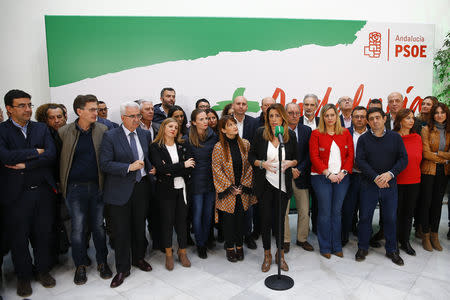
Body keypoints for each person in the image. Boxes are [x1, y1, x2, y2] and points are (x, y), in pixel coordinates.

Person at [0, 90, 57, 297]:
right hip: (16, 195)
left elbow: (51, 155)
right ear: (9, 108)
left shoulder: (41, 128)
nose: (28, 109)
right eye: (22, 105)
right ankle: (23, 277)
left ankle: (43, 271)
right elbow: (4, 156)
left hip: (42, 192)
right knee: (19, 238)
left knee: (43, 235)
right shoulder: (2, 131)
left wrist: (24, 163)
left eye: (30, 105)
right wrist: (35, 152)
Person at [58, 95, 112, 285]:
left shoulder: (103, 130)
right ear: (79, 111)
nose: (96, 113)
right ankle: (80, 266)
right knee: (78, 228)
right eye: (91, 109)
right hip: (74, 189)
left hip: (97, 187)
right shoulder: (64, 132)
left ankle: (102, 262)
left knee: (98, 227)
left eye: (96, 109)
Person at [100, 102, 154, 288]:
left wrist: (151, 168)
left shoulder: (144, 134)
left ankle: (138, 258)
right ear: (123, 118)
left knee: (139, 227)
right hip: (119, 191)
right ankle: (122, 268)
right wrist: (128, 167)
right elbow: (105, 164)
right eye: (132, 116)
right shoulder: (110, 136)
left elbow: (145, 158)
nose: (137, 119)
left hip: (141, 188)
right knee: (121, 231)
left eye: (138, 115)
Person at [355, 107, 408, 266]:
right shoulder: (363, 139)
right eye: (371, 119)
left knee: (390, 218)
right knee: (364, 217)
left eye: (377, 118)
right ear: (367, 121)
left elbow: (403, 159)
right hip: (369, 184)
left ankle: (392, 249)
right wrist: (375, 177)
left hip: (389, 184)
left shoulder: (395, 138)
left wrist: (390, 174)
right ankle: (363, 247)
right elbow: (360, 161)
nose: (374, 121)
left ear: (384, 119)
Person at [249, 103, 298, 272]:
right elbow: (251, 156)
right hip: (265, 185)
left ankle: (280, 255)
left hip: (283, 185)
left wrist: (290, 163)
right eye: (271, 116)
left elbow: (296, 158)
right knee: (265, 221)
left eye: (277, 115)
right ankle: (267, 255)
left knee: (280, 223)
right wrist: (262, 164)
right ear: (266, 118)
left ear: (283, 117)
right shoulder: (259, 133)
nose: (274, 119)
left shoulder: (289, 135)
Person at [309, 104, 353, 258]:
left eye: (332, 115)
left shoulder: (346, 133)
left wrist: (343, 172)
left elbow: (350, 156)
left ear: (337, 116)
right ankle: (325, 247)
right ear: (323, 117)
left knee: (337, 212)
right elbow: (314, 157)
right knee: (325, 213)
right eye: (326, 115)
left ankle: (337, 245)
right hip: (321, 178)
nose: (329, 118)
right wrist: (328, 174)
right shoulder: (316, 134)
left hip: (342, 178)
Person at [150, 118, 194, 270]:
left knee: (182, 222)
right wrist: (181, 165)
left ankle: (182, 252)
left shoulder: (183, 145)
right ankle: (169, 253)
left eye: (176, 127)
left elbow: (191, 167)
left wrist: (170, 169)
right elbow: (160, 169)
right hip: (165, 191)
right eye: (170, 126)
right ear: (163, 128)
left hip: (182, 189)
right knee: (167, 222)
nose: (173, 129)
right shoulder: (156, 147)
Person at [212, 115, 255, 262]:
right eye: (230, 125)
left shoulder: (245, 144)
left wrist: (243, 186)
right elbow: (216, 169)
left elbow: (249, 166)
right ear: (223, 130)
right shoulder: (218, 147)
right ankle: (230, 248)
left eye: (234, 124)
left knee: (241, 220)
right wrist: (230, 188)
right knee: (229, 222)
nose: (234, 127)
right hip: (228, 191)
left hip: (242, 189)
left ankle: (240, 246)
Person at [184, 109, 218, 258]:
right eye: (202, 119)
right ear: (193, 122)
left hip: (211, 180)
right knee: (197, 214)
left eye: (206, 119)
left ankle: (205, 239)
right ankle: (200, 244)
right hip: (196, 181)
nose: (206, 121)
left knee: (208, 214)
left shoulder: (214, 136)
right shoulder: (188, 138)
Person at [419, 102, 450, 251]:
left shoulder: (449, 131)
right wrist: (445, 157)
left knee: (437, 204)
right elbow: (425, 153)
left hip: (443, 171)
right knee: (426, 203)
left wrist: (438, 155)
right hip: (428, 170)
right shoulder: (426, 129)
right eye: (436, 113)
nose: (439, 115)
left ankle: (434, 235)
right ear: (433, 115)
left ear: (446, 114)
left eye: (442, 112)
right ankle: (425, 236)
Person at [283, 103, 314, 252]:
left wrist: (299, 169)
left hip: (301, 176)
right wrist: (289, 169)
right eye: (290, 113)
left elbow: (310, 154)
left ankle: (302, 239)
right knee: (284, 211)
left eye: (297, 113)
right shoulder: (279, 130)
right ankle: (286, 239)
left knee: (304, 209)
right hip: (284, 175)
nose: (294, 116)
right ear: (285, 114)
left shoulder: (307, 130)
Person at [393, 108, 422, 256]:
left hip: (414, 180)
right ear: (400, 120)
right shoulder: (393, 137)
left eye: (412, 118)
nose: (411, 121)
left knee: (408, 213)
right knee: (396, 213)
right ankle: (395, 242)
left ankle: (405, 241)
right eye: (408, 118)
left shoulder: (417, 137)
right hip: (397, 181)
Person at [232, 96, 258, 248]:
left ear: (247, 107)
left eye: (244, 104)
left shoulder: (253, 123)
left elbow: (255, 147)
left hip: (248, 170)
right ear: (233, 105)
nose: (241, 106)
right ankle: (233, 236)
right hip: (230, 171)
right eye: (238, 104)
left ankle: (248, 235)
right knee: (232, 206)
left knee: (248, 205)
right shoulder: (227, 122)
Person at [341, 106, 368, 246]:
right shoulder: (345, 133)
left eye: (362, 116)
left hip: (367, 178)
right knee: (347, 209)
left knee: (365, 210)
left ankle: (363, 238)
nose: (359, 119)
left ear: (367, 119)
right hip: (349, 176)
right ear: (351, 118)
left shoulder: (373, 134)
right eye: (356, 116)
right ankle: (344, 236)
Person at [299, 94, 320, 233]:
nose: (309, 107)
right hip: (302, 170)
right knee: (304, 205)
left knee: (318, 202)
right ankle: (303, 232)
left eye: (312, 105)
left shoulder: (323, 121)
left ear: (317, 106)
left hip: (319, 170)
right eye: (306, 104)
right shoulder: (297, 121)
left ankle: (317, 228)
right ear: (303, 105)